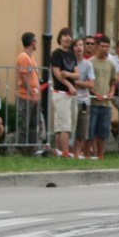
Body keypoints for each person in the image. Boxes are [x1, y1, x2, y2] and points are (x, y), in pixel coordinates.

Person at [50, 27, 79, 157]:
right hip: (61, 93)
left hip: (71, 95)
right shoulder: (56, 53)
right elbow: (57, 73)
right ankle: (65, 152)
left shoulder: (72, 55)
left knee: (69, 124)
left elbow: (77, 74)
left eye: (69, 35)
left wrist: (68, 73)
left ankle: (59, 151)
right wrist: (69, 85)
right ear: (60, 38)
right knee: (64, 125)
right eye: (64, 35)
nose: (67, 38)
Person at [89, 35, 117, 160]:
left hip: (106, 103)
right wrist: (94, 93)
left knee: (103, 131)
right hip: (93, 101)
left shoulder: (111, 64)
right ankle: (90, 153)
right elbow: (87, 82)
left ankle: (101, 155)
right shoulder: (90, 62)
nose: (104, 49)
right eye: (102, 46)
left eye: (107, 46)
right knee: (91, 130)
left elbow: (113, 82)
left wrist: (111, 92)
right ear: (97, 46)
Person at [15, 31, 41, 148]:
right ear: (31, 42)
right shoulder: (24, 57)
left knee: (32, 125)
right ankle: (20, 150)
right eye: (35, 40)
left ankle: (31, 149)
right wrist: (31, 93)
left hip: (33, 96)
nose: (36, 43)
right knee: (24, 125)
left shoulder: (31, 57)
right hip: (26, 96)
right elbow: (24, 77)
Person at [73, 37, 95, 159]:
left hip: (84, 100)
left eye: (81, 45)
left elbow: (91, 84)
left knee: (82, 128)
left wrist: (78, 83)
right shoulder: (69, 62)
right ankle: (69, 153)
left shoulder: (88, 64)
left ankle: (77, 153)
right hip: (71, 99)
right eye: (76, 45)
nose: (79, 48)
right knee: (71, 127)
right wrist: (82, 81)